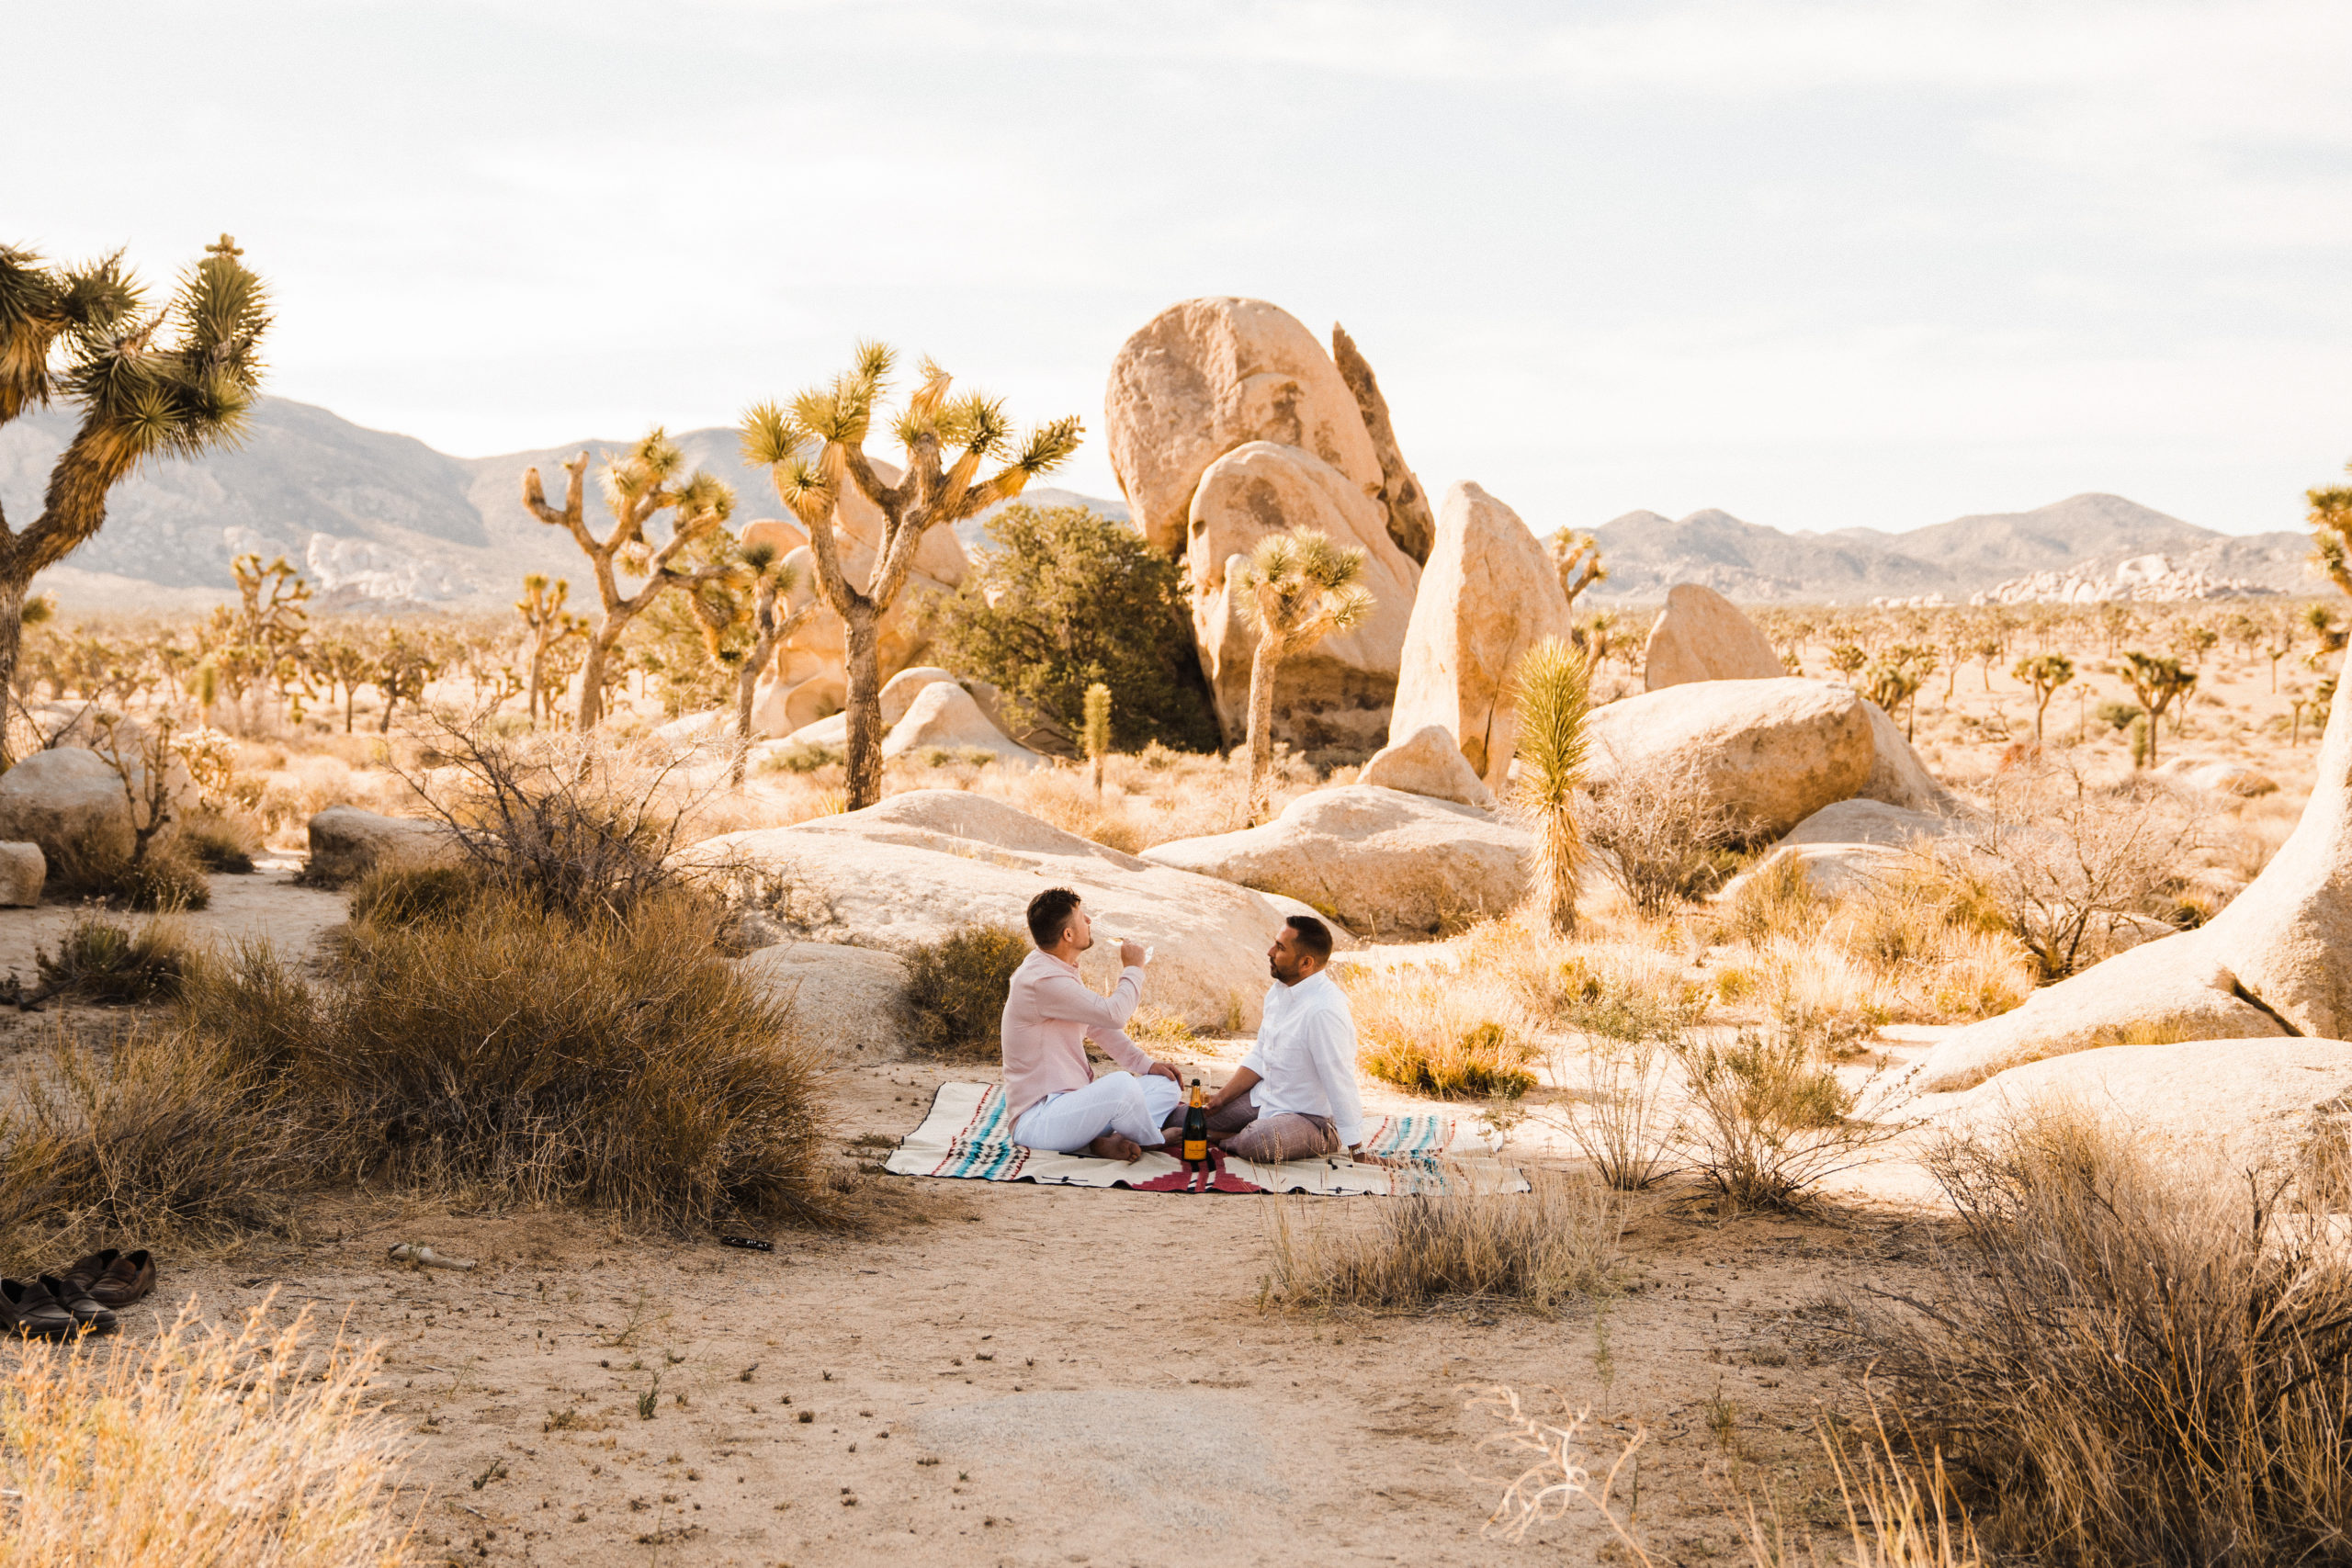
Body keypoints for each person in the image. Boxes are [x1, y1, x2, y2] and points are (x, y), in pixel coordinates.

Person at [1002, 886, 1185, 1161]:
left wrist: (1146, 1065)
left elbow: (1098, 1026)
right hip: (1040, 1119)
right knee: (1122, 1086)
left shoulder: (1055, 968)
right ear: (1068, 934)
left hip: (1070, 1107)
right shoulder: (1042, 980)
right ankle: (1151, 1140)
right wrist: (1134, 968)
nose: (1089, 921)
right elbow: (1114, 1015)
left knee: (1166, 1083)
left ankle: (1112, 1141)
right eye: (1082, 917)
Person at [1192, 915, 1384, 1166]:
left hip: (1310, 1120)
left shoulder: (1323, 1011)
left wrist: (1357, 1149)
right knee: (1187, 1119)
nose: (1270, 952)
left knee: (1259, 1142)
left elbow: (1339, 1078)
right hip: (1265, 1100)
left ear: (1306, 963)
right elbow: (1261, 1054)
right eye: (1275, 943)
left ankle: (1217, 1137)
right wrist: (1222, 1097)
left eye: (1280, 948)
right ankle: (1217, 1131)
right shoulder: (1278, 992)